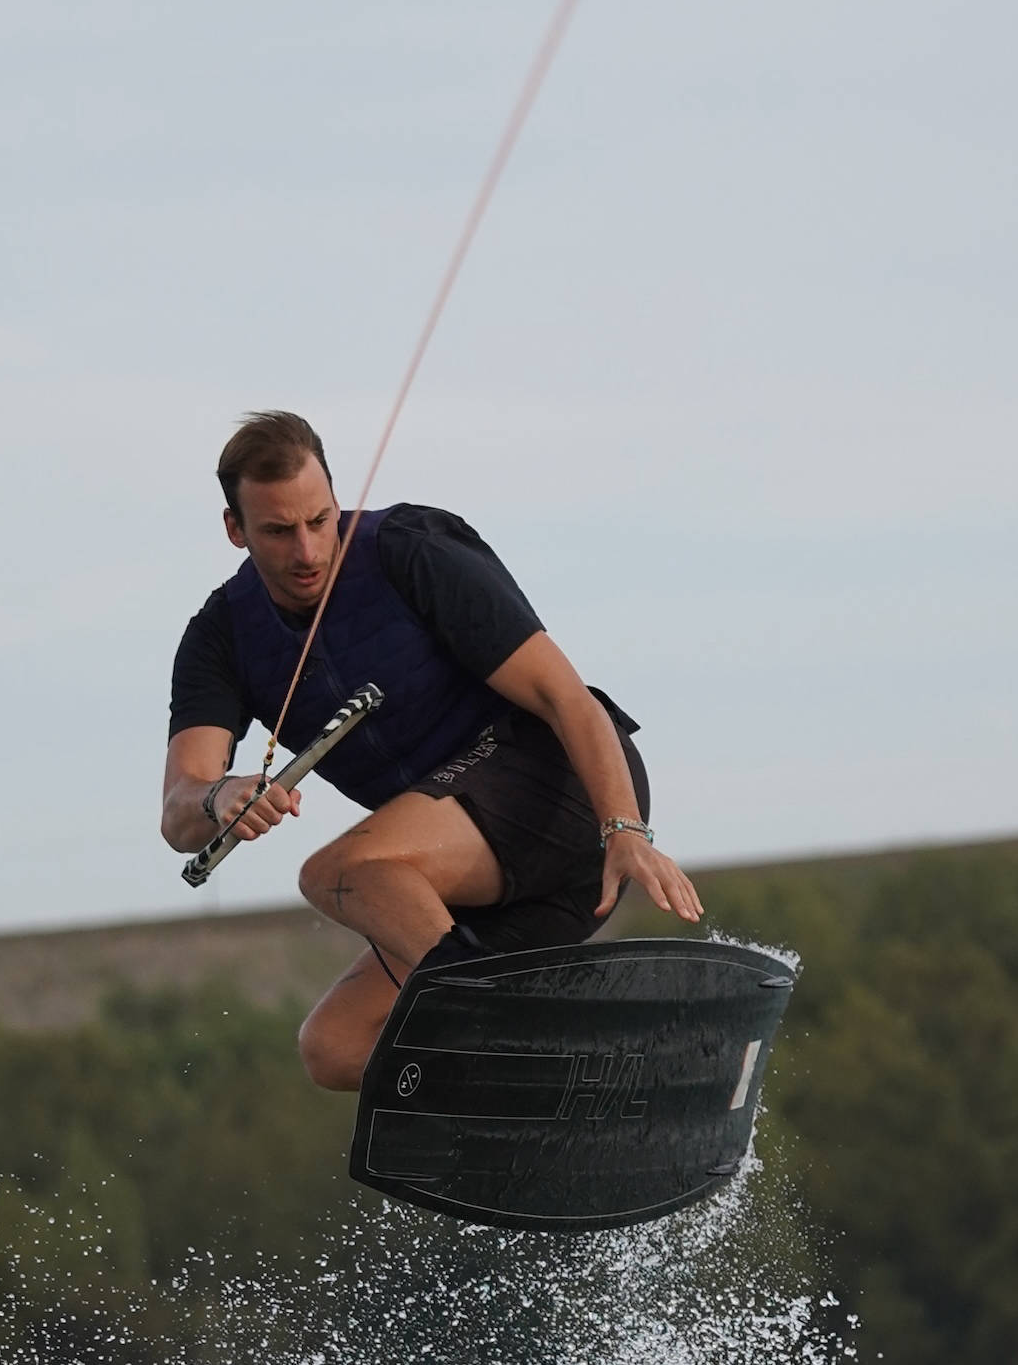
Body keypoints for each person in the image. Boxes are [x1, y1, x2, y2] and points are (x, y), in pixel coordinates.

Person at [162, 411, 704, 1090]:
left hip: (565, 792)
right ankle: (556, 1097)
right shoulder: (219, 638)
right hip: (470, 880)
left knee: (339, 870)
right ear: (235, 529)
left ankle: (517, 1041)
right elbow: (179, 813)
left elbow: (565, 696)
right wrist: (218, 796)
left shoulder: (409, 549)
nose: (307, 551)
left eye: (320, 520)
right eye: (277, 531)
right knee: (336, 1046)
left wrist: (623, 828)